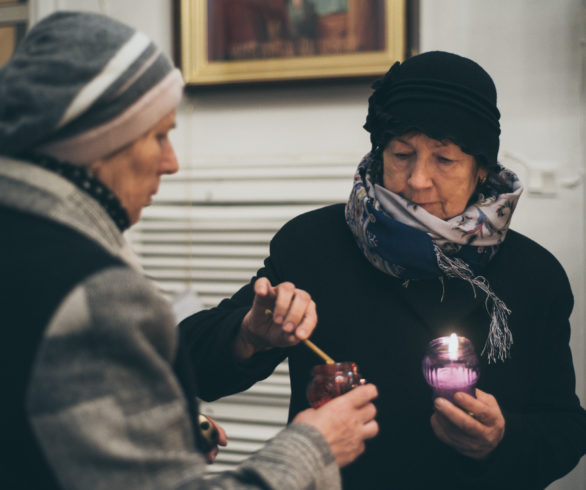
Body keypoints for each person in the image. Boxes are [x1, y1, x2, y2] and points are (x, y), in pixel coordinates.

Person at [0, 11, 379, 490]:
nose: (172, 163)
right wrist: (312, 448)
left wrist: (143, 439)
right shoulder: (93, 291)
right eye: (158, 135)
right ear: (94, 142)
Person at [180, 51, 586, 489]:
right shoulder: (313, 245)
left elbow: (564, 429)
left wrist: (501, 441)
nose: (417, 180)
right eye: (402, 154)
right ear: (380, 152)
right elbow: (190, 367)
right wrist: (247, 334)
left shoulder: (535, 276)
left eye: (444, 160)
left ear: (481, 168)